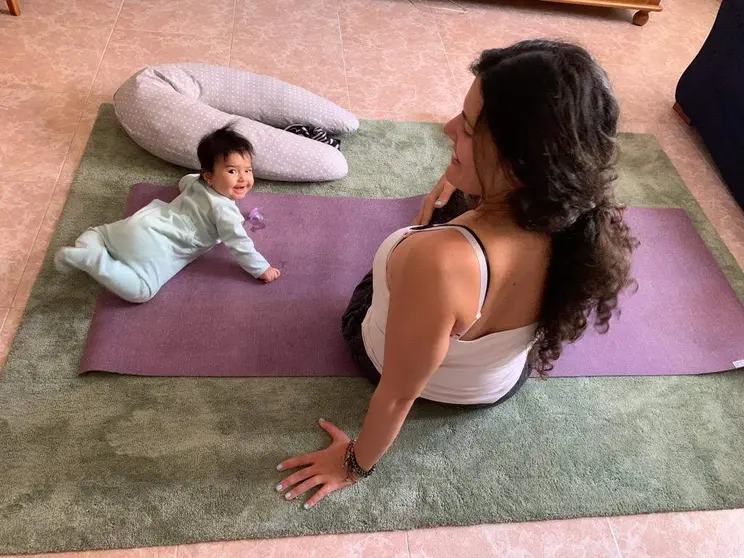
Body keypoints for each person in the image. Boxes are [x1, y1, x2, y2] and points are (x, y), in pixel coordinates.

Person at [276, 39, 638, 509]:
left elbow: (397, 396)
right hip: (497, 387)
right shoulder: (575, 221)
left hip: (409, 360)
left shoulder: (435, 261)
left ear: (520, 158)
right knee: (451, 209)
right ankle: (457, 207)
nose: (448, 129)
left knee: (399, 256)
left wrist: (353, 465)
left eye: (467, 128)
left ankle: (439, 225)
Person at [54, 127, 281, 303]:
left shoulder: (197, 182)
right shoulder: (224, 211)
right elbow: (239, 243)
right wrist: (261, 268)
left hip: (141, 223)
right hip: (159, 247)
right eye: (232, 171)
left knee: (98, 232)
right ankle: (96, 262)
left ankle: (87, 246)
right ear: (210, 176)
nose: (243, 178)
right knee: (142, 291)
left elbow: (184, 181)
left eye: (248, 170)